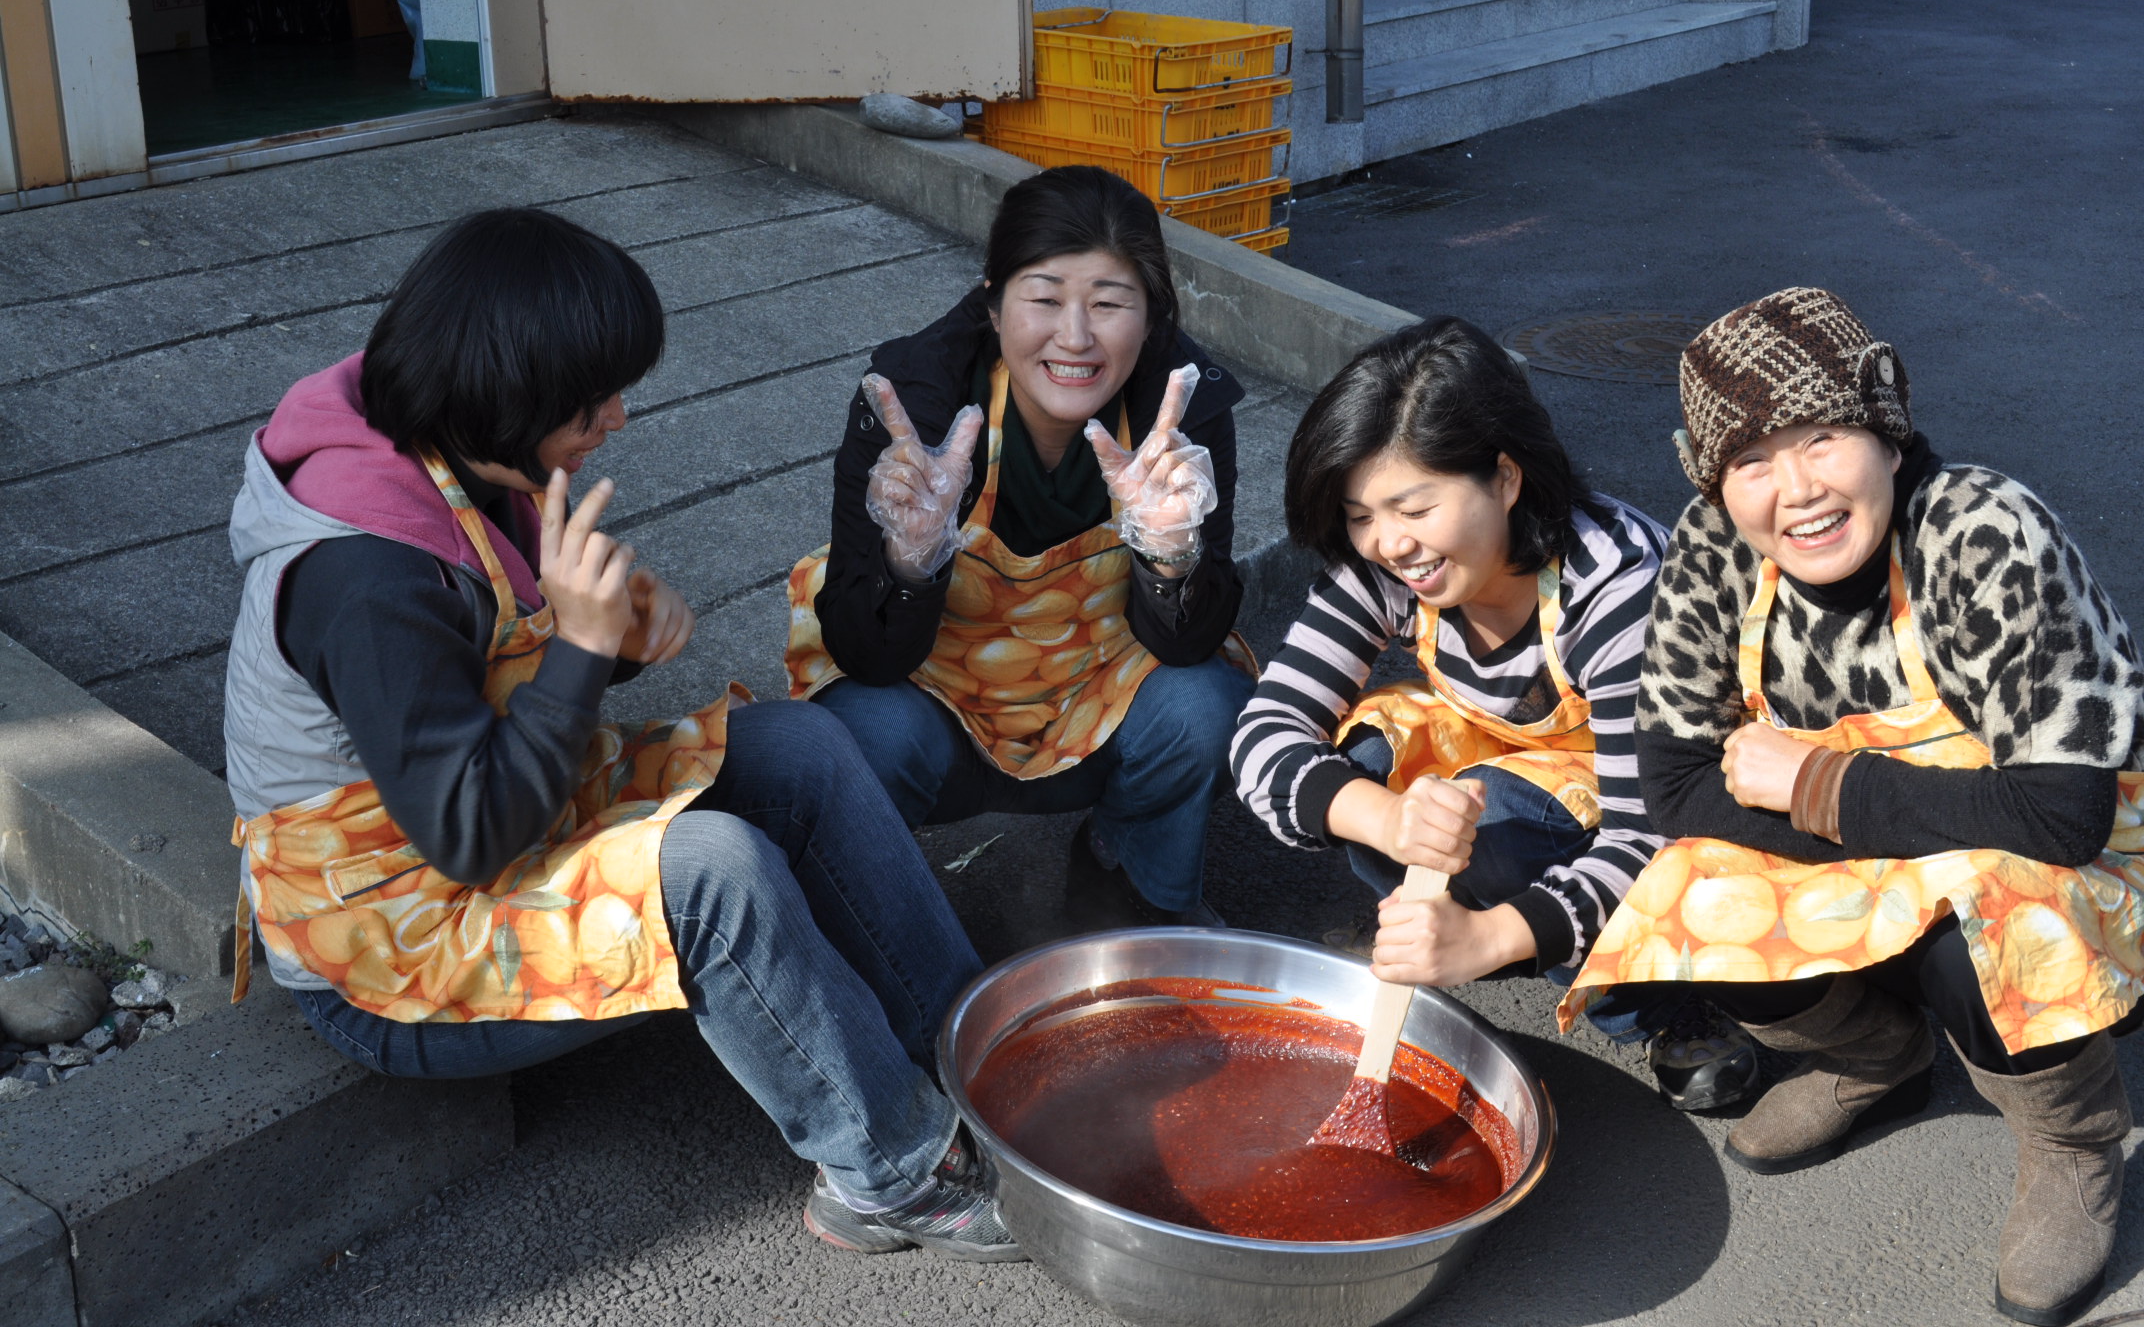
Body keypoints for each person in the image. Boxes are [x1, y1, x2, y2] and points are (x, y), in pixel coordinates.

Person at [223, 208, 1019, 1263]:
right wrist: (582, 648)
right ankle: (889, 1169)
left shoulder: (448, 441)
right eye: (591, 400)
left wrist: (613, 646)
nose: (619, 416)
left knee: (795, 746)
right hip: (388, 949)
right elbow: (472, 838)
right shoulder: (369, 577)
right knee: (708, 871)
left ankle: (983, 1053)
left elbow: (492, 704)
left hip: (485, 828)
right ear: (503, 397)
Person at [1561, 287, 2144, 1325]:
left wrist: (1816, 788)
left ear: (1884, 427)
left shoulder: (1981, 530)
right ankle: (1875, 1056)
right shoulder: (1713, 547)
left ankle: (2072, 1136)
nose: (1794, 491)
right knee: (1689, 888)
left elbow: (2060, 813)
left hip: (2085, 855)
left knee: (1977, 916)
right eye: (1749, 461)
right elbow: (1674, 781)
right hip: (1913, 823)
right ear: (1712, 481)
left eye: (1820, 437)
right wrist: (1852, 837)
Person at [1231, 317, 1759, 1110]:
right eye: (1360, 514)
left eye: (1413, 507)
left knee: (1501, 827)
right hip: (1516, 749)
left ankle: (1655, 1002)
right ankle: (1482, 930)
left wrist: (1484, 939)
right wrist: (1385, 820)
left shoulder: (1615, 593)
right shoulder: (1383, 567)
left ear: (1505, 479)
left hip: (1685, 793)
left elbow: (1649, 835)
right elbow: (1264, 732)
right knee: (1369, 766)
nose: (1387, 543)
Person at [787, 166, 1256, 928]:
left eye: (1109, 304)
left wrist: (1171, 554)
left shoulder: (1183, 416)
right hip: (936, 713)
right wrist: (911, 557)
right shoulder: (913, 405)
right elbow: (867, 653)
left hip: (1103, 707)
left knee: (1207, 708)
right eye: (1043, 299)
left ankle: (1130, 884)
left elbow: (1189, 642)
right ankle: (878, 928)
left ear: (1153, 314)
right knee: (855, 735)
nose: (1075, 337)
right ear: (993, 299)